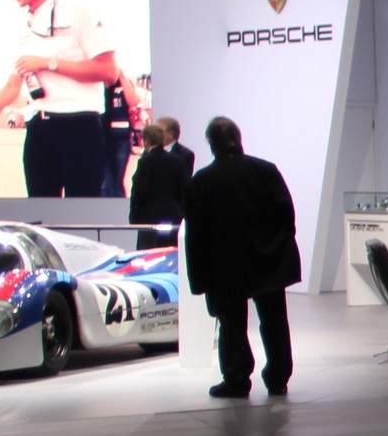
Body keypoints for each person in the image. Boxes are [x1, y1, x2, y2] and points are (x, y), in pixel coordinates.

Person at [180, 116, 300, 398]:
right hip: (268, 259)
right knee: (274, 320)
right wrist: (279, 248)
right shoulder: (266, 171)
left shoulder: (201, 182)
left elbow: (196, 236)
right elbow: (287, 216)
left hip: (226, 266)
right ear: (238, 138)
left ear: (211, 144)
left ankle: (236, 379)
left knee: (232, 324)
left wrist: (199, 280)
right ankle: (278, 377)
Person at [0, 0, 123, 198]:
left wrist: (49, 64)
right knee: (40, 210)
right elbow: (11, 87)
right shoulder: (24, 28)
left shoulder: (78, 11)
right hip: (38, 128)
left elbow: (108, 72)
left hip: (78, 125)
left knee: (81, 212)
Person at [128, 115, 191, 248]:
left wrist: (134, 213)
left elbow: (140, 190)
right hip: (172, 217)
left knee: (149, 255)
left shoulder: (146, 161)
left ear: (146, 140)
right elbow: (184, 190)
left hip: (150, 219)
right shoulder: (177, 161)